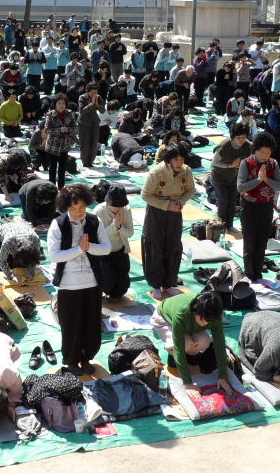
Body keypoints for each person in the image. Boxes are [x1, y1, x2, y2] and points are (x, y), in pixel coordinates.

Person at [47, 184, 111, 374]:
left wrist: (88, 247)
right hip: (69, 284)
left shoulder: (94, 221)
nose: (78, 212)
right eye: (73, 208)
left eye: (82, 207)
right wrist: (79, 249)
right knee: (71, 325)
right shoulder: (58, 224)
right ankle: (72, 360)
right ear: (66, 207)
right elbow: (54, 255)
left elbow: (106, 248)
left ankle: (87, 358)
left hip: (92, 282)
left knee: (92, 323)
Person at [151, 291, 234, 399]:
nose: (205, 323)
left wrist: (223, 376)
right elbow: (179, 348)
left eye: (209, 321)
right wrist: (188, 383)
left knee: (205, 341)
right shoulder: (181, 314)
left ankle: (189, 354)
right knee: (185, 344)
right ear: (194, 312)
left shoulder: (213, 316)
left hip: (190, 324)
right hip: (165, 319)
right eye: (203, 319)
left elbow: (220, 343)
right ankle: (172, 355)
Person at [141, 143, 195, 299]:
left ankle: (169, 283)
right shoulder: (157, 172)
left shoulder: (186, 171)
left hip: (175, 211)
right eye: (176, 159)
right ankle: (155, 284)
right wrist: (166, 205)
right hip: (156, 211)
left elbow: (190, 190)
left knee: (173, 246)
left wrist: (180, 202)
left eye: (182, 159)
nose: (179, 163)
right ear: (168, 160)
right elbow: (146, 195)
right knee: (155, 246)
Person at [237, 132, 280, 279]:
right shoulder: (246, 163)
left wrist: (266, 180)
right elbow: (241, 187)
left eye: (268, 152)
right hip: (249, 206)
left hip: (266, 206)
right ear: (255, 150)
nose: (265, 155)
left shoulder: (273, 163)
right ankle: (249, 272)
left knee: (262, 241)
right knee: (250, 242)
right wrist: (258, 180)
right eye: (262, 152)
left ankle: (257, 272)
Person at [93, 185, 134, 300]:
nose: (118, 208)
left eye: (121, 206)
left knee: (122, 287)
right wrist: (114, 226)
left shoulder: (126, 210)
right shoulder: (99, 211)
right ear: (108, 203)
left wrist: (120, 227)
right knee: (107, 281)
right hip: (103, 253)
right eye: (115, 205)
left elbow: (130, 233)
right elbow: (97, 235)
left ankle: (115, 293)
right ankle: (99, 291)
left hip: (120, 250)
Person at [209, 123, 251, 232]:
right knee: (223, 201)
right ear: (232, 136)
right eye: (238, 137)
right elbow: (214, 162)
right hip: (219, 177)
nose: (241, 140)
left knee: (232, 201)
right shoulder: (224, 146)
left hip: (234, 177)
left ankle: (230, 224)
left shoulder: (247, 146)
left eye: (243, 137)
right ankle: (222, 224)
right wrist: (230, 165)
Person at [42, 94, 76, 189]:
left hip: (64, 145)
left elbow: (75, 128)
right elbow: (47, 129)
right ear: (55, 105)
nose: (61, 105)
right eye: (59, 103)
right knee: (52, 168)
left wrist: (68, 130)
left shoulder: (69, 114)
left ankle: (61, 186)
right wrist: (59, 130)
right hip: (53, 146)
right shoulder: (50, 115)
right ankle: (52, 187)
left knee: (62, 167)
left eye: (63, 103)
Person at [77, 82, 102, 168]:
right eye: (92, 93)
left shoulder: (99, 97)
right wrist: (91, 104)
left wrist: (97, 105)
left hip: (94, 121)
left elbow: (102, 111)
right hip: (84, 122)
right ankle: (85, 162)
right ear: (88, 91)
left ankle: (91, 161)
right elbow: (82, 111)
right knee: (85, 143)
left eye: (95, 93)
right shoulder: (82, 97)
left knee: (94, 143)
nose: (94, 95)